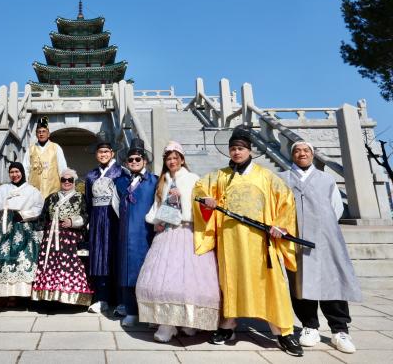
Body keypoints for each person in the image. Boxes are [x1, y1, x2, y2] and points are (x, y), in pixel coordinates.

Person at [193, 127, 303, 356]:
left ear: (249, 150)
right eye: (233, 149)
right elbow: (200, 188)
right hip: (230, 241)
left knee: (271, 283)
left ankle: (283, 331)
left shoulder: (266, 176)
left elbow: (286, 200)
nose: (236, 152)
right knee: (230, 281)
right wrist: (207, 200)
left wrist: (280, 226)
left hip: (260, 241)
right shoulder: (221, 176)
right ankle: (228, 326)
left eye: (240, 148)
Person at [280, 141, 362, 354]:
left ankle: (339, 329)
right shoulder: (283, 178)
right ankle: (309, 326)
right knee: (300, 282)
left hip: (326, 238)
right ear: (292, 155)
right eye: (297, 151)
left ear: (312, 154)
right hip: (296, 238)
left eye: (306, 150)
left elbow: (336, 207)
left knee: (332, 280)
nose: (301, 154)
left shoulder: (326, 179)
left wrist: (322, 226)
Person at [136, 141, 220, 342]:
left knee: (188, 279)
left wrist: (185, 199)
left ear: (182, 159)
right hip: (166, 232)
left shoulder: (192, 179)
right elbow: (156, 207)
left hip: (186, 231)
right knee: (165, 279)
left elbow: (200, 204)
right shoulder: (163, 180)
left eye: (176, 158)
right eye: (169, 158)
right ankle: (167, 323)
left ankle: (188, 321)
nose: (172, 161)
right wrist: (156, 220)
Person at [0, 162, 44, 306]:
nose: (14, 174)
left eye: (17, 171)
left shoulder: (32, 191)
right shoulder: (1, 189)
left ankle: (16, 297)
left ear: (22, 172)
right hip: (3, 228)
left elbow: (39, 207)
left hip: (23, 228)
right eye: (11, 172)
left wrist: (23, 214)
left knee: (19, 258)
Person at [31, 168, 93, 306]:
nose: (66, 182)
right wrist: (40, 234)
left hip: (71, 237)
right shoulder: (52, 197)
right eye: (64, 179)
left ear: (74, 181)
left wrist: (72, 221)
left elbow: (86, 216)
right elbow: (43, 217)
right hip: (51, 238)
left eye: (70, 180)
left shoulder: (81, 197)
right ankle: (50, 296)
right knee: (50, 266)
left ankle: (70, 298)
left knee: (70, 266)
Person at [113, 138, 157, 326]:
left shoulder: (154, 181)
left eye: (138, 159)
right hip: (126, 233)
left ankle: (149, 313)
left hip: (147, 233)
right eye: (130, 160)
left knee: (148, 273)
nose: (134, 163)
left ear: (145, 161)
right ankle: (131, 311)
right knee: (126, 271)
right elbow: (115, 205)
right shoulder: (120, 181)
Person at [84, 131, 128, 314]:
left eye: (106, 151)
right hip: (96, 219)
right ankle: (101, 297)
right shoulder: (90, 175)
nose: (102, 155)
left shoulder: (120, 172)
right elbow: (87, 200)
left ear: (112, 153)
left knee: (115, 256)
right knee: (98, 257)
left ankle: (120, 300)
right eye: (99, 152)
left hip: (114, 218)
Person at [22, 116, 67, 198]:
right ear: (36, 134)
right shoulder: (31, 149)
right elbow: (25, 169)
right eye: (39, 132)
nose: (41, 134)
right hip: (34, 191)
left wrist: (64, 188)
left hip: (53, 190)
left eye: (44, 131)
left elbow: (62, 168)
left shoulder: (56, 147)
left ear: (48, 134)